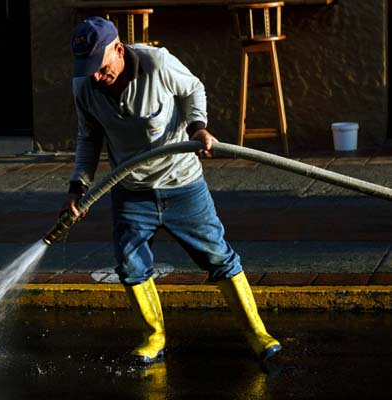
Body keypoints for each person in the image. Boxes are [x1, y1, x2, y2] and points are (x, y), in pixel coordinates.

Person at [62, 17, 281, 366]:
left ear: (119, 50)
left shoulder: (157, 63)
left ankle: (258, 333)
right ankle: (154, 338)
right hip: (131, 190)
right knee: (131, 266)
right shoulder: (84, 86)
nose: (96, 77)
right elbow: (88, 138)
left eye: (102, 68)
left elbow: (194, 89)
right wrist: (78, 187)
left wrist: (198, 127)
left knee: (218, 257)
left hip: (183, 185)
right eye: (88, 70)